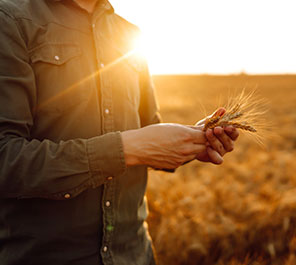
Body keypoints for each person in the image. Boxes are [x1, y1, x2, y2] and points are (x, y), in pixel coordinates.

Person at [0, 0, 239, 264]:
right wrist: (126, 149)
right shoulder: (11, 19)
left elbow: (148, 132)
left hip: (135, 254)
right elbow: (5, 157)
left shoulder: (131, 35)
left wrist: (194, 140)